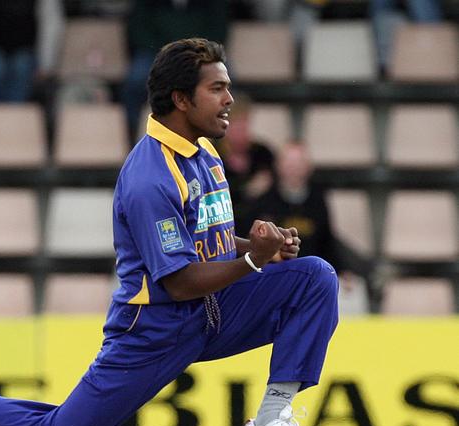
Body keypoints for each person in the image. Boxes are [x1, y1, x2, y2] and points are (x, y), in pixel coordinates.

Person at [0, 39, 339, 426]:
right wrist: (252, 259)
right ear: (181, 99)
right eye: (217, 88)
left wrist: (261, 247)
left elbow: (205, 239)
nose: (229, 99)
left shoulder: (204, 150)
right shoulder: (149, 178)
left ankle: (272, 424)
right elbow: (176, 282)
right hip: (155, 328)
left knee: (314, 277)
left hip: (212, 308)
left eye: (228, 87)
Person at [122, 0, 228, 142]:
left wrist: (194, 53)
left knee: (227, 76)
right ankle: (132, 137)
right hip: (156, 54)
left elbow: (218, 30)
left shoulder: (212, 5)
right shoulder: (145, 4)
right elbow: (138, 31)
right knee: (135, 81)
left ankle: (220, 140)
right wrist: (169, 55)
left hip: (200, 55)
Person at [238, 141, 341, 271]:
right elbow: (247, 241)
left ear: (308, 167)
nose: (293, 168)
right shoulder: (263, 200)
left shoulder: (317, 200)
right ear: (278, 165)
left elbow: (327, 242)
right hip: (272, 271)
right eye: (289, 163)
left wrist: (341, 270)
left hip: (313, 270)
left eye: (299, 163)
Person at [0, 0, 63, 102]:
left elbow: (51, 27)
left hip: (26, 52)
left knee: (21, 67)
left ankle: (13, 115)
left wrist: (46, 65)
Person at [217, 94, 277, 232]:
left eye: (245, 126)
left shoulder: (263, 154)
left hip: (262, 227)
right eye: (237, 127)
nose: (242, 133)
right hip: (226, 228)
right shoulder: (213, 155)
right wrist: (247, 190)